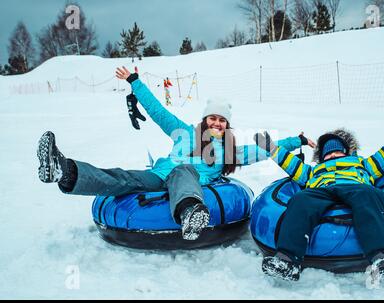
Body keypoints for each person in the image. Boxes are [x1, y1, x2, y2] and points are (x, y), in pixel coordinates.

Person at [37, 66, 314, 241]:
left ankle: (191, 212)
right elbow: (158, 111)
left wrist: (296, 140)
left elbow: (264, 149)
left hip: (189, 182)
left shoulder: (230, 150)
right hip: (159, 176)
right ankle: (65, 171)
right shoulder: (183, 132)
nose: (216, 123)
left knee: (184, 170)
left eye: (222, 120)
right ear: (205, 120)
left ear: (227, 125)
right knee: (124, 178)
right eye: (212, 118)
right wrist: (135, 82)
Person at [254, 125, 384, 282]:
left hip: (355, 187)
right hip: (322, 190)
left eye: (337, 150)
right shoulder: (312, 171)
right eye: (328, 152)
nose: (333, 154)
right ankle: (287, 260)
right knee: (301, 200)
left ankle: (380, 258)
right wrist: (270, 147)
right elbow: (290, 163)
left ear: (346, 152)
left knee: (371, 195)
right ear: (321, 157)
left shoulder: (363, 164)